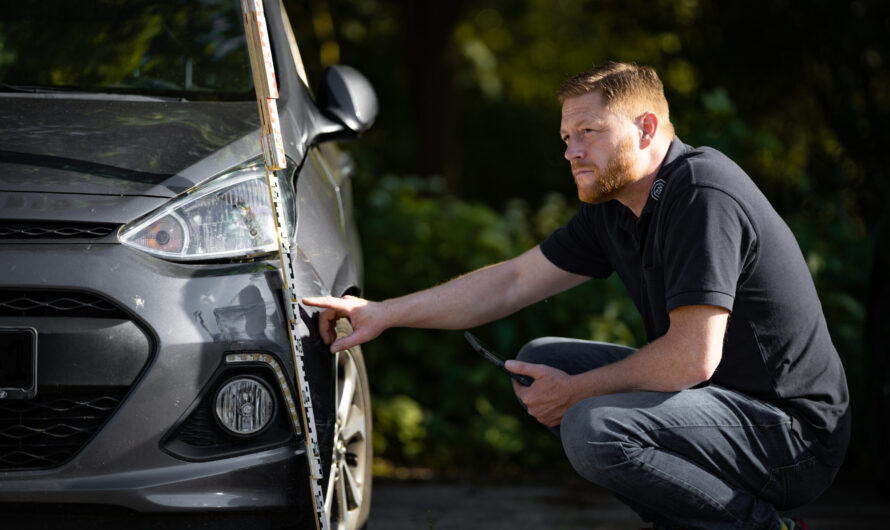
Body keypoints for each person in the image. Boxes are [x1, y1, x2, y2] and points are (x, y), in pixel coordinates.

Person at [303, 61, 850, 530]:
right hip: (720, 406)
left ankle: (761, 525)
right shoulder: (614, 209)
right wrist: (381, 313)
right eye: (567, 138)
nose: (572, 151)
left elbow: (691, 358)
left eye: (588, 131)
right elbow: (513, 281)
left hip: (791, 436)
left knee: (595, 425)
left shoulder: (701, 195)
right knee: (541, 361)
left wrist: (576, 392)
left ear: (647, 127)